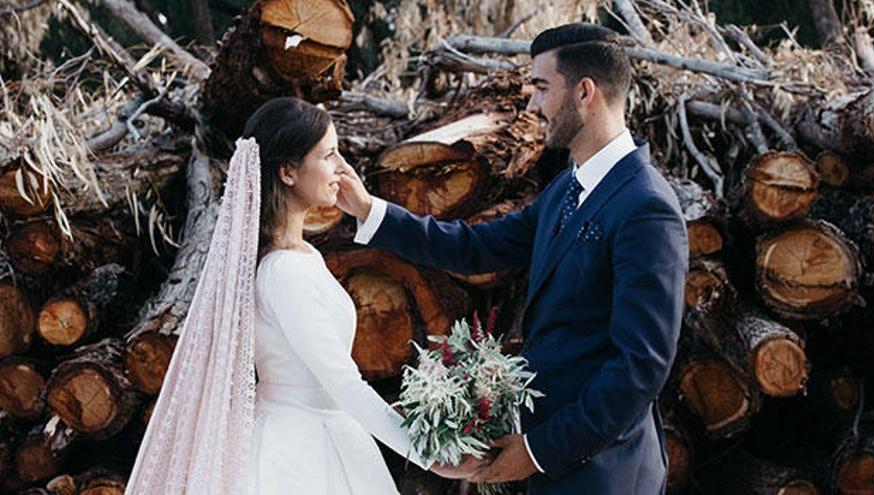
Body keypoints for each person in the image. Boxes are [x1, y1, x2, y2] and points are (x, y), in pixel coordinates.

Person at [335, 23, 688, 494]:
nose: (533, 104)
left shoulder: (646, 208)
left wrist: (540, 450)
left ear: (585, 92)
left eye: (542, 88)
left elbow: (640, 367)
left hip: (606, 472)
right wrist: (369, 210)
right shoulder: (567, 188)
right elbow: (475, 248)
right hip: (554, 468)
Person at [124, 97, 481, 495]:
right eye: (328, 155)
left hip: (323, 432)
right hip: (299, 452)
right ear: (288, 172)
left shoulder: (304, 254)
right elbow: (343, 385)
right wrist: (429, 453)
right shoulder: (284, 273)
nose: (342, 169)